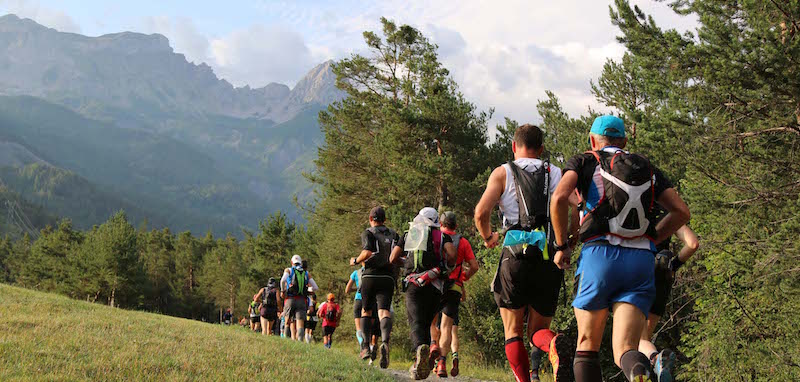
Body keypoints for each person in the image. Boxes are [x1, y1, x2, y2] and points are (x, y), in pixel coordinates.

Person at [550, 115, 691, 382]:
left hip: (599, 257)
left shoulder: (585, 161)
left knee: (587, 344)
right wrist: (652, 239)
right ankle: (639, 372)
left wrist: (561, 246)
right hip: (640, 262)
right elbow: (682, 212)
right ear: (625, 141)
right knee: (625, 348)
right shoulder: (647, 168)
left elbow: (558, 197)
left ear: (592, 140)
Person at [474, 123, 578, 382]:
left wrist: (489, 237)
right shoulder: (557, 173)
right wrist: (568, 241)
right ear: (542, 149)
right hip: (549, 256)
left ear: (514, 146)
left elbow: (480, 213)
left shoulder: (502, 173)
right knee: (538, 331)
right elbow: (579, 208)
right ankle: (553, 345)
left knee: (513, 332)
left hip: (514, 256)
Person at [389, 207, 457, 380]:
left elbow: (392, 258)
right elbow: (452, 255)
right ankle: (423, 362)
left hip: (413, 283)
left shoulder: (409, 234)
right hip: (434, 284)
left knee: (415, 321)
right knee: (427, 322)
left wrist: (406, 263)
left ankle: (420, 348)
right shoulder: (442, 236)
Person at [639, 222, 699, 382]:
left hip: (639, 273)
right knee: (643, 340)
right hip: (663, 277)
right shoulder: (670, 215)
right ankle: (652, 365)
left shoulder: (637, 207)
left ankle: (654, 359)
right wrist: (674, 266)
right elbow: (693, 244)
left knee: (634, 341)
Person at [429, 211, 479, 378]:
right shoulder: (463, 242)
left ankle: (432, 346)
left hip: (435, 284)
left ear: (441, 224)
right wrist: (463, 277)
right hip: (454, 287)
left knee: (432, 322)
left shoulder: (435, 237)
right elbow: (474, 266)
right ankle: (442, 362)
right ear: (456, 226)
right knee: (447, 327)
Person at [350, 206, 400, 369]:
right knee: (384, 311)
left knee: (366, 311)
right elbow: (401, 255)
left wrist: (356, 261)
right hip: (388, 277)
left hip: (370, 276)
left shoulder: (368, 233)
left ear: (371, 219)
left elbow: (367, 252)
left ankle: (365, 347)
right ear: (384, 220)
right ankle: (384, 342)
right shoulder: (393, 234)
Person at [281, 255, 319, 341]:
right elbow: (316, 287)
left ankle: (286, 340)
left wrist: (283, 291)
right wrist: (309, 292)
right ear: (300, 262)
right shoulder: (306, 273)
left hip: (290, 299)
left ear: (292, 262)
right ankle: (300, 341)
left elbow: (283, 280)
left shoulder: (289, 270)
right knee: (300, 322)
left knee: (287, 321)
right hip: (302, 300)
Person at [346, 264, 380, 359]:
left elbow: (347, 290)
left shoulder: (355, 273)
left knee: (359, 328)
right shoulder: (374, 271)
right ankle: (370, 347)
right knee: (369, 328)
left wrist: (356, 289)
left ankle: (363, 345)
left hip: (358, 300)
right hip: (371, 300)